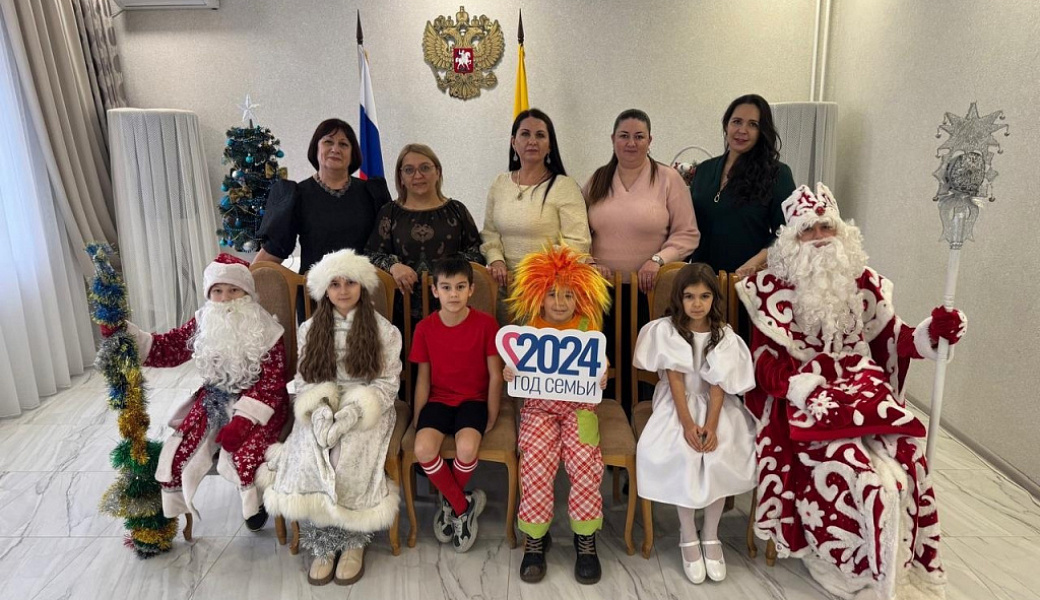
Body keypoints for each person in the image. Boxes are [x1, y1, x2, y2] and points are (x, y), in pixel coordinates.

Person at [736, 183, 967, 599]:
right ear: (791, 240)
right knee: (855, 473)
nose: (820, 237)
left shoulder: (865, 284)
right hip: (807, 402)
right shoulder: (768, 290)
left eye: (827, 226)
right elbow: (762, 362)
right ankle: (849, 567)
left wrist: (932, 335)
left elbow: (894, 339)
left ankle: (903, 566)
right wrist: (801, 388)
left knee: (910, 462)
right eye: (808, 230)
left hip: (869, 396)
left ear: (842, 231)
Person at [257, 249, 401, 586]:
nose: (343, 290)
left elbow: (387, 382)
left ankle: (353, 537)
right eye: (335, 284)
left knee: (347, 455)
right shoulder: (310, 329)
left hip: (368, 407)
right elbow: (305, 379)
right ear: (325, 289)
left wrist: (355, 411)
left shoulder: (384, 330)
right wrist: (320, 410)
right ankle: (323, 538)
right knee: (312, 450)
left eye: (350, 282)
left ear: (362, 286)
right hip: (322, 405)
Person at [119, 254, 289, 535]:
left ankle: (254, 503)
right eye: (218, 291)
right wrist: (126, 335)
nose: (225, 298)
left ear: (246, 292)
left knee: (245, 453)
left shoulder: (266, 329)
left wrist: (244, 420)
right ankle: (175, 508)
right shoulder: (204, 320)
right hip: (215, 397)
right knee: (179, 450)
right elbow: (170, 347)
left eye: (233, 290)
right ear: (209, 294)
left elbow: (272, 383)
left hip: (261, 402)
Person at [632, 263, 755, 584]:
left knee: (719, 452)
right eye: (689, 296)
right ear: (679, 298)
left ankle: (711, 534)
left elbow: (718, 386)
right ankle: (687, 534)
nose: (697, 304)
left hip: (715, 404)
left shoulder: (724, 335)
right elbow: (675, 379)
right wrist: (688, 424)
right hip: (678, 403)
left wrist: (711, 426)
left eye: (704, 296)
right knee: (685, 453)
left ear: (714, 298)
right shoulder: (667, 330)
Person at [503, 245, 610, 585]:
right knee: (535, 466)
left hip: (579, 409)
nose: (560, 302)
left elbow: (600, 364)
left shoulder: (588, 327)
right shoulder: (530, 329)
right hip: (539, 410)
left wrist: (603, 374)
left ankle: (585, 538)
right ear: (539, 296)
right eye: (552, 294)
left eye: (567, 294)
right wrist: (511, 372)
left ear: (580, 296)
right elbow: (517, 366)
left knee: (586, 466)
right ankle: (535, 539)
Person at [584, 108, 700, 405]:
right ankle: (605, 415)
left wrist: (658, 260)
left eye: (639, 136)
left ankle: (645, 416)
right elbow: (577, 231)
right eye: (624, 136)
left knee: (645, 365)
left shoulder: (668, 178)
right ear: (613, 139)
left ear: (650, 140)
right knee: (603, 363)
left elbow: (688, 233)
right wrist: (590, 262)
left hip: (650, 292)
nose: (631, 143)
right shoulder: (598, 179)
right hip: (602, 291)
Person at [409, 256, 502, 552]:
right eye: (446, 287)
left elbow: (495, 375)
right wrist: (418, 416)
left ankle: (451, 505)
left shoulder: (486, 324)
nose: (453, 294)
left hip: (474, 401)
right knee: (423, 448)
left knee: (467, 448)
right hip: (438, 400)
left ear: (471, 290)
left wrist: (492, 413)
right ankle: (463, 505)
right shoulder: (424, 328)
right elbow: (423, 379)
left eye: (460, 287)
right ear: (435, 290)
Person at [255, 118, 392, 275]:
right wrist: (245, 281)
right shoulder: (297, 195)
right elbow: (274, 251)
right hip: (314, 288)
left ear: (352, 154)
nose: (335, 149)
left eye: (343, 144)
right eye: (328, 142)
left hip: (364, 286)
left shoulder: (372, 192)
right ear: (316, 148)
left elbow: (388, 246)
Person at [481, 108, 591, 298]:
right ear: (513, 142)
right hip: (503, 287)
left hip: (549, 290)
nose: (532, 141)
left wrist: (536, 272)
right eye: (525, 134)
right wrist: (496, 260)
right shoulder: (499, 184)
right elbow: (490, 233)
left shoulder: (565, 186)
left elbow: (577, 242)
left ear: (550, 146)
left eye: (540, 135)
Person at [366, 143, 484, 320]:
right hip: (402, 312)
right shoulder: (389, 212)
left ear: (438, 172)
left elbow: (477, 253)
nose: (418, 175)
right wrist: (393, 266)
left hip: (452, 309)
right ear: (401, 177)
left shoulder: (457, 210)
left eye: (425, 168)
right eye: (409, 170)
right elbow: (371, 255)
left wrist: (449, 268)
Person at [690, 94, 795, 277]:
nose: (742, 130)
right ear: (726, 125)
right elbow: (688, 226)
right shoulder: (704, 170)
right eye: (737, 122)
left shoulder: (777, 174)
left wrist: (755, 262)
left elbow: (787, 232)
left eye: (753, 124)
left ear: (762, 131)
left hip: (746, 280)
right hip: (701, 281)